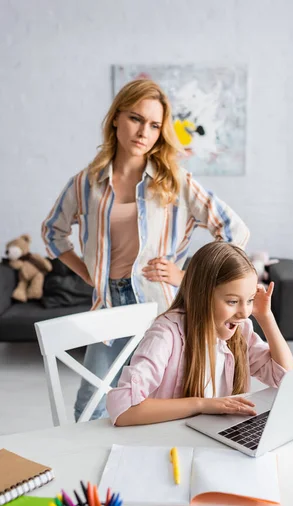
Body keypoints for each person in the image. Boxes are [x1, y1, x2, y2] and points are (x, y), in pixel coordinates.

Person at [41, 80, 249, 422]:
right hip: (107, 305)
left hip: (159, 305)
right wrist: (89, 273)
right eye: (136, 119)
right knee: (90, 407)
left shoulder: (174, 180)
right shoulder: (86, 182)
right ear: (116, 119)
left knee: (161, 396)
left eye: (154, 125)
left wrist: (188, 277)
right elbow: (53, 233)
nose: (144, 132)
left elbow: (234, 231)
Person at [107, 241, 293, 426]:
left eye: (250, 300)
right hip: (169, 442)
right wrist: (201, 404)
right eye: (232, 301)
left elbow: (287, 379)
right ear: (201, 295)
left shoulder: (241, 329)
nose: (244, 312)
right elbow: (123, 409)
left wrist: (266, 318)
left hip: (214, 438)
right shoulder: (166, 335)